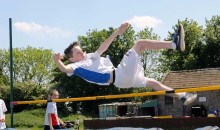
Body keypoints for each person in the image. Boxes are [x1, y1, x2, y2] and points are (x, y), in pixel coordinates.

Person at [53, 23, 197, 106]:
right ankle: (174, 45)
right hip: (120, 75)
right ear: (72, 59)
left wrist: (117, 32)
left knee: (154, 83)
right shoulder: (76, 67)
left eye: (81, 50)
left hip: (122, 80)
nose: (82, 53)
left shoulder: (90, 57)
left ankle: (183, 96)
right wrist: (57, 60)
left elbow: (103, 47)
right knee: (140, 43)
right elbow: (64, 69)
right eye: (78, 53)